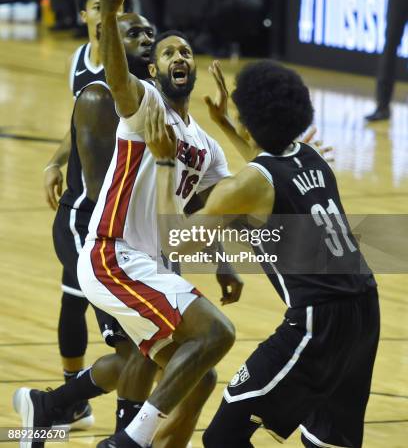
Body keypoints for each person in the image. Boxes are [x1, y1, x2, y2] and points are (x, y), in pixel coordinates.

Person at [14, 0, 242, 448]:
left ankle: (53, 408)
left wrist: (224, 264)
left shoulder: (205, 144)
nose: (178, 55)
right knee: (216, 334)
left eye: (185, 50)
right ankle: (125, 441)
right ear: (154, 70)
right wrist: (112, 9)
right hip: (113, 254)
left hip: (149, 262)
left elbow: (222, 206)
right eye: (166, 52)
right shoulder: (143, 105)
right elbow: (118, 78)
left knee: (197, 374)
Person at [147, 59, 380, 448]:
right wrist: (226, 123)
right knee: (328, 442)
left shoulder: (242, 189)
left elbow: (175, 240)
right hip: (364, 311)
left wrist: (164, 161)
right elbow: (264, 171)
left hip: (317, 322)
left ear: (251, 123)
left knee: (223, 435)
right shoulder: (310, 156)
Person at [42, 0, 154, 431]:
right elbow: (86, 137)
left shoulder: (149, 89)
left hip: (124, 225)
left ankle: (60, 404)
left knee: (143, 347)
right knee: (124, 339)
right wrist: (56, 160)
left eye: (152, 34)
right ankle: (81, 409)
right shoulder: (92, 84)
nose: (147, 41)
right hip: (91, 221)